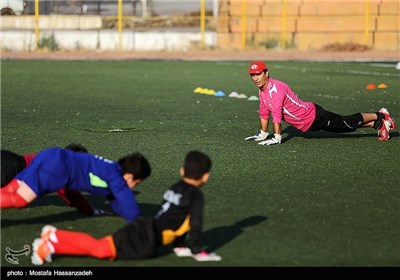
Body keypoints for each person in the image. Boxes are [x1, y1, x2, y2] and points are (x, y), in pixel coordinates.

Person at [30, 150, 221, 265]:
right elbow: (194, 224)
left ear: (182, 171)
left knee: (102, 248)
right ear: (205, 177)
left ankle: (53, 239)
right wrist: (198, 252)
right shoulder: (195, 196)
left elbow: (173, 214)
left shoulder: (175, 187)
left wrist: (179, 246)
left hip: (147, 228)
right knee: (101, 250)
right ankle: (54, 239)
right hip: (146, 237)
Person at [244, 61, 396, 145]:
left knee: (348, 123)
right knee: (345, 127)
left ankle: (381, 115)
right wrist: (263, 134)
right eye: (253, 75)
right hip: (309, 124)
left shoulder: (275, 89)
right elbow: (264, 112)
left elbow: (276, 115)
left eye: (258, 74)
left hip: (315, 116)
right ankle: (378, 124)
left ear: (266, 73)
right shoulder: (262, 90)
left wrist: (277, 138)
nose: (256, 78)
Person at [1, 147, 151, 222]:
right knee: (20, 200)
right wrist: (139, 222)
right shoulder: (115, 178)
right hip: (56, 166)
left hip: (50, 154)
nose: (132, 187)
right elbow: (126, 198)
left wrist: (121, 213)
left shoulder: (110, 174)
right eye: (136, 182)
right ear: (130, 176)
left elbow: (115, 199)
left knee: (10, 191)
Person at [1, 143, 109, 216]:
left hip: (9, 158)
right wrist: (90, 210)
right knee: (19, 200)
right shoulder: (62, 169)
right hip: (11, 169)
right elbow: (71, 194)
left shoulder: (54, 157)